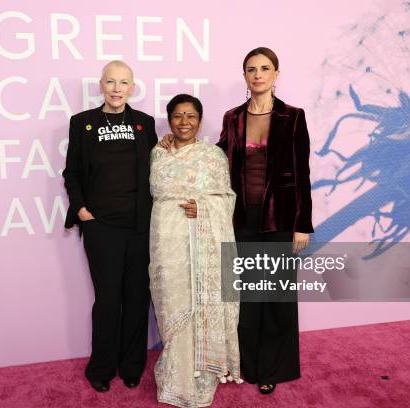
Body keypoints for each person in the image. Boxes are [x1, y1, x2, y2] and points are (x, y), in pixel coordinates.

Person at [159, 47, 314, 395]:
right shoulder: (233, 118)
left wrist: (302, 224)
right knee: (244, 296)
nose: (257, 74)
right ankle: (246, 363)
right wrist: (179, 142)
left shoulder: (294, 116)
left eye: (264, 68)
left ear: (276, 74)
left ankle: (273, 367)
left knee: (274, 295)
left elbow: (302, 172)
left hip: (279, 219)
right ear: (244, 76)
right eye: (251, 69)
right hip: (238, 218)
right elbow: (214, 158)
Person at [62, 60, 158, 392]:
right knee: (106, 299)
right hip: (101, 227)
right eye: (111, 82)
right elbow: (71, 173)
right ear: (101, 85)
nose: (117, 89)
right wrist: (82, 209)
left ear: (132, 88)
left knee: (136, 298)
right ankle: (101, 368)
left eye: (124, 83)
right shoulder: (83, 123)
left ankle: (131, 365)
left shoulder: (145, 124)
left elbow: (157, 172)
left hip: (139, 228)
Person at [149, 94, 241, 408]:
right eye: (177, 116)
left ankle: (201, 377)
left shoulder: (213, 155)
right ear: (169, 120)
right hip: (167, 240)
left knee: (200, 304)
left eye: (191, 116)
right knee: (172, 305)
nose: (184, 122)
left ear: (199, 120)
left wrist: (202, 206)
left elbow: (227, 198)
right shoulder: (157, 154)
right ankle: (176, 374)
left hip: (203, 246)